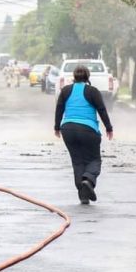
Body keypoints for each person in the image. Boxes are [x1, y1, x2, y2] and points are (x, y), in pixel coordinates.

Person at [54, 65, 113, 204]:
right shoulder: (92, 91)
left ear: (74, 77)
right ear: (88, 77)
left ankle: (83, 195)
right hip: (88, 129)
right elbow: (102, 110)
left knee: (77, 161)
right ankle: (88, 180)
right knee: (94, 160)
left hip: (67, 129)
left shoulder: (66, 90)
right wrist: (109, 128)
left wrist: (57, 127)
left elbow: (59, 109)